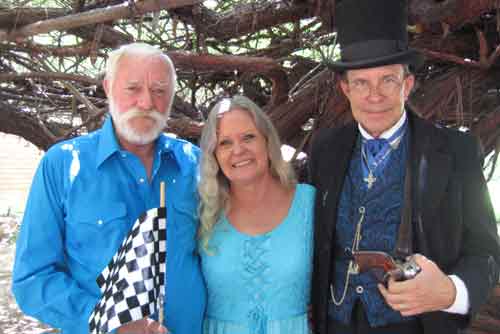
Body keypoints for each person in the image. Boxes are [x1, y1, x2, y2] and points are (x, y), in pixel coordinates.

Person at [308, 1, 500, 334]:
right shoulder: (325, 150)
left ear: (407, 85)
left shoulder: (457, 151)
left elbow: (486, 252)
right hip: (335, 323)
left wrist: (451, 291)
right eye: (362, 83)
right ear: (345, 89)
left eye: (387, 81)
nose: (375, 95)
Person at [12, 43, 206, 334]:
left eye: (159, 90)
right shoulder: (62, 165)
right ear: (108, 86)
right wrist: (109, 321)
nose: (146, 102)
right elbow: (32, 279)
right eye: (133, 88)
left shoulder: (195, 164)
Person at [197, 95, 316, 333]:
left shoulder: (309, 203)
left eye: (248, 137)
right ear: (214, 155)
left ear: (267, 142)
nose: (238, 150)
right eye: (225, 143)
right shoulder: (201, 213)